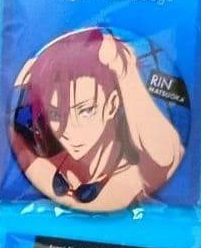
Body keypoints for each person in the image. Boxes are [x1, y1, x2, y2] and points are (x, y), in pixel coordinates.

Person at [12, 28, 184, 211]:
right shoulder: (55, 164)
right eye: (55, 114)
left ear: (112, 105)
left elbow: (167, 155)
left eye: (86, 111)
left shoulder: (136, 177)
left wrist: (125, 72)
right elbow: (19, 144)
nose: (70, 130)